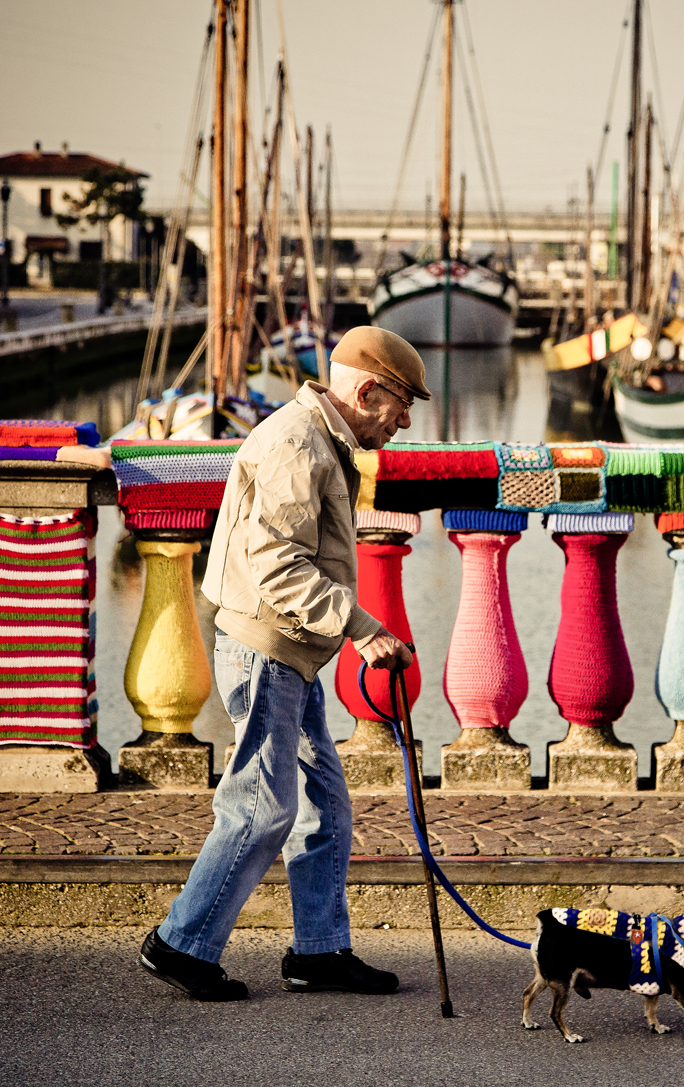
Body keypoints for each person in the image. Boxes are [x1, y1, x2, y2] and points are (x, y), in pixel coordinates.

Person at [140, 325, 428, 1003]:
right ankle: (182, 942)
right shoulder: (298, 443)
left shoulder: (321, 439)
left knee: (323, 804)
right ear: (366, 390)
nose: (406, 422)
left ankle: (319, 953)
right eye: (402, 405)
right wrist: (362, 630)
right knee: (261, 808)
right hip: (266, 649)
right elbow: (278, 568)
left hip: (288, 651)